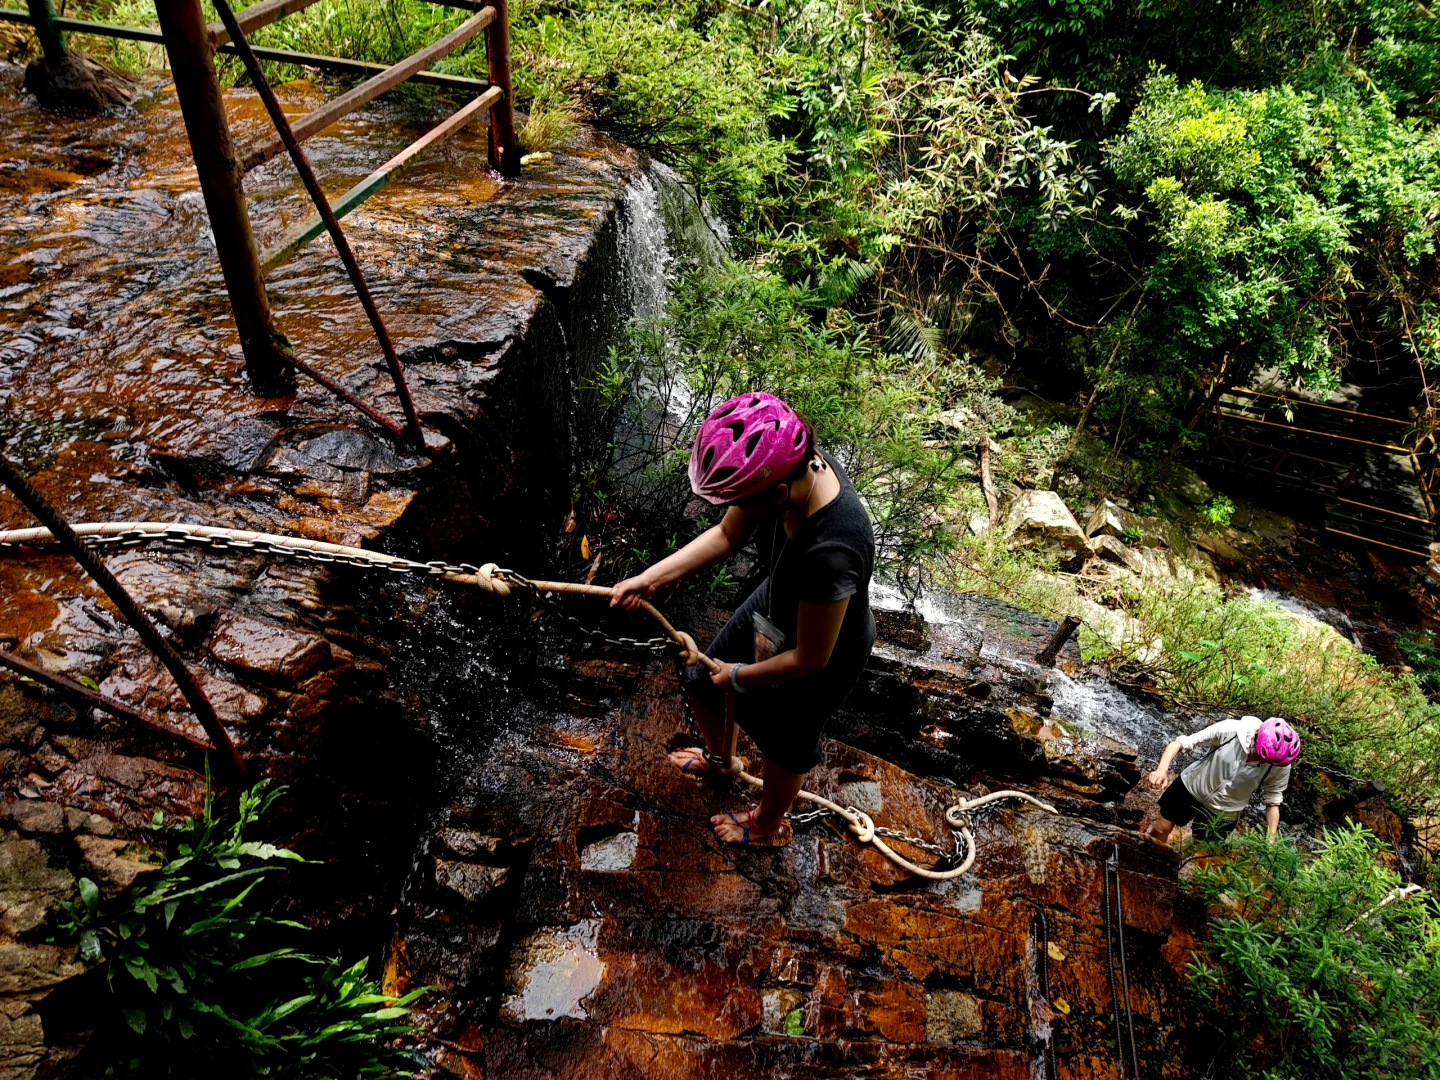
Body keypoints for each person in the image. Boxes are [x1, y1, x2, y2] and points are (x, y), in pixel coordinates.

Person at [610, 392, 876, 846]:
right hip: (778, 601)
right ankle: (722, 760)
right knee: (700, 678)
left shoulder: (833, 549)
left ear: (776, 495)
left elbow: (809, 659)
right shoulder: (787, 469)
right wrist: (650, 579)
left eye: (742, 500)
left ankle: (766, 824)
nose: (736, 508)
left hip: (826, 647)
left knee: (785, 745)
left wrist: (741, 675)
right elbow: (727, 533)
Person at [1144, 715, 1301, 843]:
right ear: (1256, 737)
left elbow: (1273, 799)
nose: (1262, 762)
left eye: (1267, 761)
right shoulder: (1230, 730)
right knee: (1159, 830)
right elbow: (1181, 743)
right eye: (1261, 756)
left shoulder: (1279, 763)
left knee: (1199, 851)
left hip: (1225, 811)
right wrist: (1162, 769)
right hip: (1191, 787)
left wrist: (1271, 838)